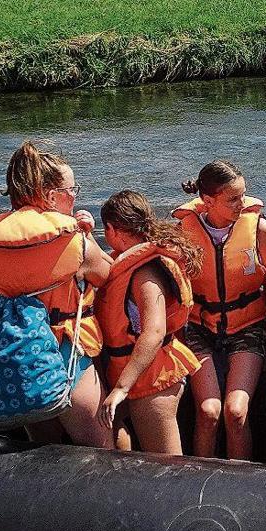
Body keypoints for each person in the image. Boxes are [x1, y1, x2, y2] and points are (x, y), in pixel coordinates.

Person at [0, 141, 113, 446]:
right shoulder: (74, 243)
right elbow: (107, 275)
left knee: (41, 454)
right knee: (101, 454)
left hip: (20, 364)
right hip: (68, 357)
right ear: (51, 196)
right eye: (72, 190)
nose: (74, 197)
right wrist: (88, 234)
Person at [173, 160, 266, 460]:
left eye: (243, 196)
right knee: (208, 411)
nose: (241, 204)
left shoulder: (260, 229)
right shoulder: (184, 231)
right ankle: (199, 475)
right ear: (207, 201)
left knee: (236, 411)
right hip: (199, 327)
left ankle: (239, 480)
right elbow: (176, 291)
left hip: (249, 326)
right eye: (233, 199)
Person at [95, 191, 203, 455]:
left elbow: (154, 332)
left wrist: (121, 388)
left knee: (166, 463)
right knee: (115, 431)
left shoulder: (145, 273)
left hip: (154, 375)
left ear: (112, 229)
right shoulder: (125, 261)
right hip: (128, 369)